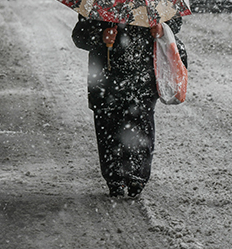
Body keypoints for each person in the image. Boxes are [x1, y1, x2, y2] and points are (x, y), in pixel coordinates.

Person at [71, 16, 187, 198]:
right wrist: (100, 36)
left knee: (141, 126)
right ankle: (114, 178)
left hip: (142, 78)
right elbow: (79, 35)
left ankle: (137, 177)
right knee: (108, 128)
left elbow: (175, 22)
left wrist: (162, 29)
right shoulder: (100, 1)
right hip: (106, 81)